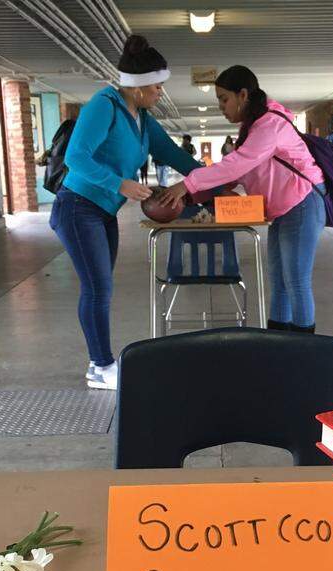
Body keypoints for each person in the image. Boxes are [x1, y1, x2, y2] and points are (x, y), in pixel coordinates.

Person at [51, 34, 202, 390]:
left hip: (103, 212)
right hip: (77, 208)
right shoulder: (103, 105)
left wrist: (210, 178)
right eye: (157, 86)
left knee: (101, 287)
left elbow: (171, 153)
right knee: (97, 288)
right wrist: (120, 184)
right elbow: (76, 158)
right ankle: (102, 367)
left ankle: (98, 363)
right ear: (138, 87)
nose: (160, 92)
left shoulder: (142, 117)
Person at [160, 65, 325, 334]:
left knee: (295, 280)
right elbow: (237, 174)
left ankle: (305, 350)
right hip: (283, 208)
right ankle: (279, 342)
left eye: (224, 99)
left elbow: (236, 165)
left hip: (303, 203)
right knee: (278, 280)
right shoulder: (252, 128)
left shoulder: (269, 125)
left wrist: (186, 184)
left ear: (243, 95)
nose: (221, 107)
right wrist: (192, 195)